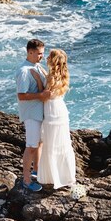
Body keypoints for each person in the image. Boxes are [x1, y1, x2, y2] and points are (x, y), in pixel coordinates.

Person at [31, 48, 76, 189]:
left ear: (53, 60)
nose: (46, 58)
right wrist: (43, 72)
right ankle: (65, 176)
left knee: (50, 143)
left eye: (49, 56)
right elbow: (50, 83)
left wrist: (38, 79)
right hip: (60, 110)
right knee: (61, 143)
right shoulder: (63, 75)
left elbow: (44, 96)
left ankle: (51, 177)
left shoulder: (51, 78)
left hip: (51, 111)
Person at [16, 39, 50, 192]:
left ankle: (37, 171)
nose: (42, 56)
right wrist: (40, 95)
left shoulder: (37, 66)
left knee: (39, 143)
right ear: (30, 52)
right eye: (39, 54)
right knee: (31, 146)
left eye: (43, 53)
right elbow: (21, 96)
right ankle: (26, 179)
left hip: (39, 113)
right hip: (31, 114)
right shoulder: (24, 71)